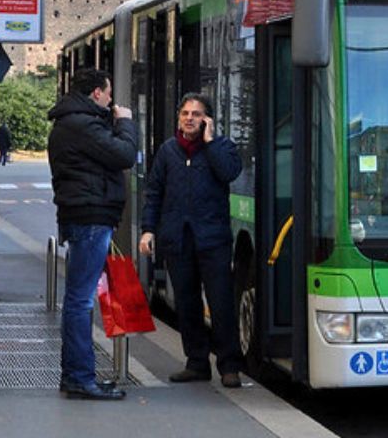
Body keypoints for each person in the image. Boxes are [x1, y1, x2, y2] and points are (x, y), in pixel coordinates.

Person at [139, 93, 245, 388]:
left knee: (221, 304)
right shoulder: (168, 151)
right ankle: (197, 362)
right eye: (185, 113)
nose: (189, 118)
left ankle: (229, 365)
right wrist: (148, 229)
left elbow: (229, 173)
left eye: (196, 114)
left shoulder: (222, 147)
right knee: (186, 304)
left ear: (207, 119)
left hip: (213, 241)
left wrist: (210, 143)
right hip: (178, 241)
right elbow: (154, 192)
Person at [48, 67, 138, 401]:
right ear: (96, 93)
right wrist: (126, 122)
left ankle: (75, 375)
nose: (112, 99)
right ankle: (80, 378)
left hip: (85, 215)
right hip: (90, 218)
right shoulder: (81, 124)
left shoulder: (73, 122)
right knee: (80, 300)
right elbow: (124, 155)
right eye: (109, 92)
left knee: (78, 298)